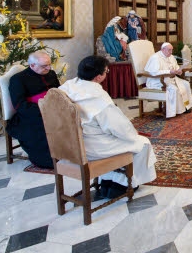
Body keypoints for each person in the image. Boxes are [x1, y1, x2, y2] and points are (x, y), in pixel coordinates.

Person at [60, 55, 157, 198]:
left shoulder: (67, 86)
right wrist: (133, 132)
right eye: (106, 72)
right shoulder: (97, 96)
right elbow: (119, 128)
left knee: (119, 138)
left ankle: (107, 179)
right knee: (142, 144)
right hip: (92, 146)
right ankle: (123, 184)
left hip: (69, 144)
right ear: (99, 77)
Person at [7, 51, 60, 168]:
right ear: (32, 65)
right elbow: (20, 105)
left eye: (49, 64)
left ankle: (69, 152)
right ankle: (47, 160)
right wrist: (45, 110)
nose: (48, 68)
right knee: (43, 125)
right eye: (44, 66)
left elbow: (58, 91)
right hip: (31, 115)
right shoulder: (18, 79)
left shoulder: (51, 74)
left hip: (54, 108)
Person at [144, 42, 192, 117]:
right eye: (169, 50)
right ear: (163, 49)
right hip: (158, 81)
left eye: (171, 50)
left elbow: (176, 66)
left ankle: (185, 107)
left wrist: (178, 70)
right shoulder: (155, 57)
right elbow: (154, 72)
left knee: (186, 84)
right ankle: (174, 111)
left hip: (171, 78)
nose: (171, 52)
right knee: (174, 89)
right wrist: (169, 71)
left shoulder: (171, 56)